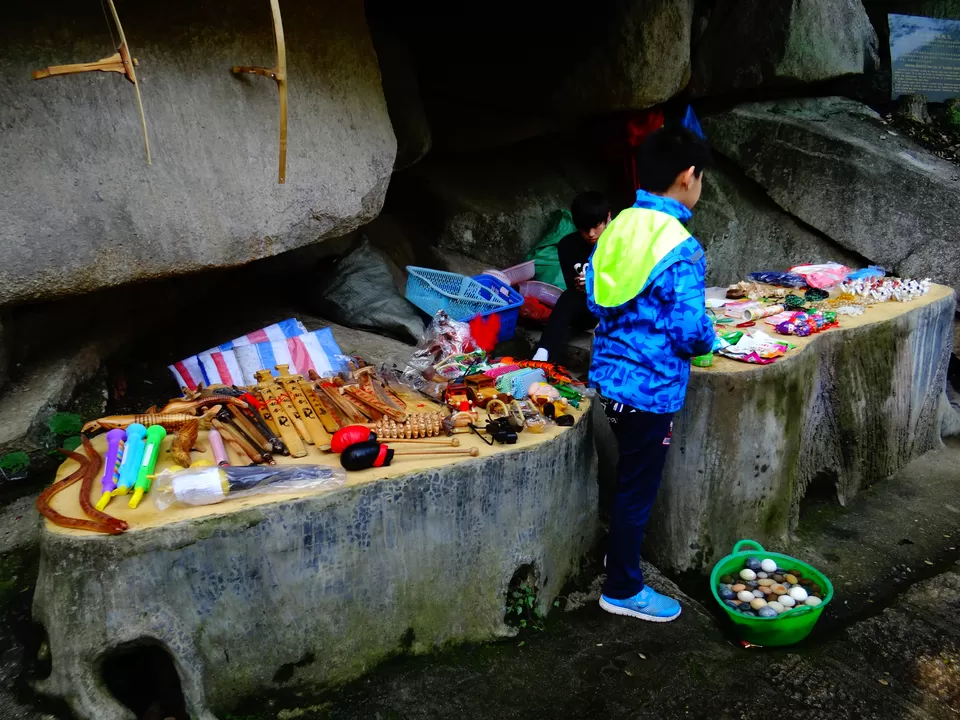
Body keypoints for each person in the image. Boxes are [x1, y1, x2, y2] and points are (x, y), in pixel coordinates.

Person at [585, 126, 716, 622]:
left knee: (625, 482)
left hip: (610, 384)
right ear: (688, 176)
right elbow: (688, 332)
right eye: (701, 178)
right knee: (636, 492)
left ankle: (615, 556)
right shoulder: (681, 247)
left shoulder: (617, 228)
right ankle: (622, 587)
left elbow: (596, 298)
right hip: (651, 392)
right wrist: (711, 337)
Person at [531, 191, 611, 363]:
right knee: (569, 297)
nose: (591, 234)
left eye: (596, 226)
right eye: (584, 228)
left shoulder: (617, 244)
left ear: (608, 218)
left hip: (613, 308)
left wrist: (596, 284)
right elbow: (572, 287)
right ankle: (542, 354)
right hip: (587, 311)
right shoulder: (568, 246)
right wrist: (584, 288)